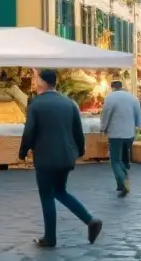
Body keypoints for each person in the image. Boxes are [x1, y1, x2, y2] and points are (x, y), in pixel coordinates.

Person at [18, 69, 103, 248]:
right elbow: (77, 132)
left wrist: (23, 151)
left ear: (43, 82)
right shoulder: (69, 103)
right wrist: (79, 150)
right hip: (66, 156)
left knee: (47, 195)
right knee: (60, 191)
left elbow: (30, 131)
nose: (35, 82)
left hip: (45, 157)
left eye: (37, 79)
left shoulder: (37, 103)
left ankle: (50, 237)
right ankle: (90, 220)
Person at [100, 78, 141, 198]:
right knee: (123, 159)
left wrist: (103, 128)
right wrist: (139, 126)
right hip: (129, 134)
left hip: (116, 134)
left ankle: (123, 180)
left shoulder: (110, 98)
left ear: (112, 87)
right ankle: (120, 184)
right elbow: (138, 114)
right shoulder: (132, 97)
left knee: (115, 160)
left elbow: (106, 114)